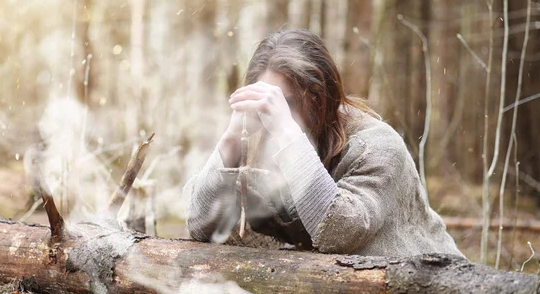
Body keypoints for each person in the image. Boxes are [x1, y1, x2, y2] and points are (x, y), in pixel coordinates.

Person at [184, 29, 463, 257]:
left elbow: (338, 232)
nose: (271, 113)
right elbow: (200, 224)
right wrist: (232, 139)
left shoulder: (377, 145)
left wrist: (286, 130)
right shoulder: (255, 139)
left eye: (286, 102)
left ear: (320, 98)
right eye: (265, 100)